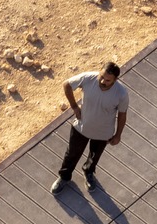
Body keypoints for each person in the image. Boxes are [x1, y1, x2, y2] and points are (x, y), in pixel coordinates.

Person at [54, 61, 128, 193]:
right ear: (99, 71)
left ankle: (88, 172)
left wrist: (118, 135)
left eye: (108, 80)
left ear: (115, 80)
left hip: (103, 132)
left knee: (94, 156)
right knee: (71, 154)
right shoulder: (88, 78)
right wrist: (75, 107)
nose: (103, 81)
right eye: (102, 77)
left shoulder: (121, 93)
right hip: (82, 127)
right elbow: (67, 85)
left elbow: (122, 114)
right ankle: (64, 177)